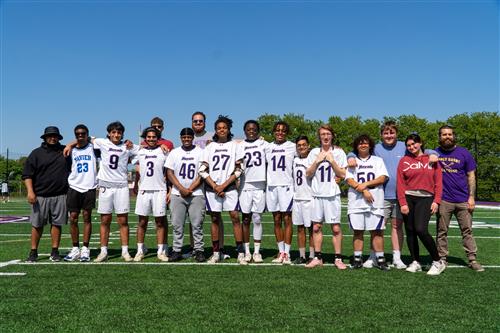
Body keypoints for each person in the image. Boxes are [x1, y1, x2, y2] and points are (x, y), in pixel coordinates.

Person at [347, 121, 438, 269]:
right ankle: (373, 256)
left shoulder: (405, 146)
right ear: (381, 135)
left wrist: (433, 153)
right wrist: (350, 155)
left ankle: (397, 257)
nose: (389, 136)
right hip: (380, 195)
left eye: (392, 133)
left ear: (396, 133)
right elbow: (357, 152)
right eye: (385, 133)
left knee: (397, 226)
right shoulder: (375, 147)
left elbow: (422, 150)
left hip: (402, 194)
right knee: (377, 227)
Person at [66, 121, 140, 262]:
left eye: (119, 132)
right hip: (106, 186)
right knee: (105, 220)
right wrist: (70, 144)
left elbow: (146, 148)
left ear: (122, 134)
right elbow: (84, 138)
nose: (116, 135)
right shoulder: (101, 142)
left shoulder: (128, 146)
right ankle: (103, 251)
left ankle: (125, 251)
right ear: (109, 134)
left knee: (122, 220)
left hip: (121, 186)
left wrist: (161, 145)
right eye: (113, 132)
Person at [435, 125, 484, 271]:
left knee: (467, 231)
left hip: (463, 200)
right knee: (441, 231)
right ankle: (442, 258)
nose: (447, 137)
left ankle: (472, 259)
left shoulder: (464, 153)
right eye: (444, 134)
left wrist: (471, 197)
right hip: (444, 199)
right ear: (440, 137)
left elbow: (471, 175)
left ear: (454, 136)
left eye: (450, 134)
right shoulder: (435, 153)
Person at [199, 115, 246, 264]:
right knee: (214, 218)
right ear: (215, 130)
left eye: (224, 127)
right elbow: (202, 169)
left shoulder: (235, 146)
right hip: (213, 188)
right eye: (219, 128)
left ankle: (240, 252)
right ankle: (216, 252)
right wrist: (215, 186)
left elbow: (239, 169)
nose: (222, 130)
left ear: (229, 129)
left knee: (235, 217)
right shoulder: (210, 146)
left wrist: (224, 185)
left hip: (229, 187)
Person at [397, 133, 445, 275]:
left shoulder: (431, 159)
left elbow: (438, 182)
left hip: (426, 198)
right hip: (408, 197)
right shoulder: (404, 161)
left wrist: (436, 201)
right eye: (409, 145)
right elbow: (400, 183)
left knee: (421, 229)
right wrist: (402, 202)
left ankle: (438, 261)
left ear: (421, 143)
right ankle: (415, 261)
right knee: (410, 231)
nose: (412, 147)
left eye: (414, 144)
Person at [23, 126, 71, 262]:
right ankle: (33, 251)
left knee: (57, 224)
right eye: (50, 136)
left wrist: (71, 144)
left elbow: (81, 142)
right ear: (45, 138)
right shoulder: (36, 153)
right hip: (40, 195)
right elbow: (27, 174)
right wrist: (30, 192)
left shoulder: (65, 151)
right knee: (37, 225)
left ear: (59, 138)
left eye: (55, 136)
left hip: (60, 194)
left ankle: (55, 251)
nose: (52, 138)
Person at [305, 124, 347, 269]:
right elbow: (308, 174)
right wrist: (317, 160)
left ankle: (338, 258)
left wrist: (332, 161)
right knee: (316, 227)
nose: (325, 136)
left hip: (332, 194)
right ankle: (317, 257)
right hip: (317, 194)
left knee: (335, 228)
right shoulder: (314, 152)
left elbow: (342, 174)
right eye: (323, 134)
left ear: (332, 135)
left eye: (328, 134)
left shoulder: (339, 153)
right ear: (319, 136)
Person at [345, 134, 389, 271]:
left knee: (376, 231)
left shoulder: (377, 160)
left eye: (365, 143)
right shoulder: (352, 161)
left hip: (374, 201)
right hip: (357, 202)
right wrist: (364, 190)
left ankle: (380, 259)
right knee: (358, 231)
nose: (363, 145)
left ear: (370, 145)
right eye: (360, 143)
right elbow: (349, 180)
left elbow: (382, 178)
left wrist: (365, 185)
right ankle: (357, 259)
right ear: (356, 146)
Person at [166, 127, 206, 263]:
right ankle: (177, 250)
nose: (187, 139)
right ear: (181, 138)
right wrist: (181, 188)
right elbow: (169, 173)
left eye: (189, 137)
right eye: (184, 137)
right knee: (177, 225)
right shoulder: (174, 153)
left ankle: (199, 250)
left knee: (197, 224)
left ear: (193, 137)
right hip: (178, 194)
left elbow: (203, 173)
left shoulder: (201, 152)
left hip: (196, 193)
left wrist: (190, 189)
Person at [133, 127, 169, 262]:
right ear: (145, 138)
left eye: (154, 137)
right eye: (148, 137)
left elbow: (171, 169)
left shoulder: (163, 151)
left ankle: (160, 251)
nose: (151, 139)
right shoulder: (139, 151)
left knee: (159, 222)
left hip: (159, 190)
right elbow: (125, 149)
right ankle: (140, 250)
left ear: (158, 138)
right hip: (144, 190)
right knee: (142, 222)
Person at [64, 124, 99, 262]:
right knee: (73, 217)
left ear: (87, 134)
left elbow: (97, 140)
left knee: (87, 217)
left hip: (89, 186)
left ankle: (85, 248)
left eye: (83, 133)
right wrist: (70, 145)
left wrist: (71, 142)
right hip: (74, 186)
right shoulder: (71, 151)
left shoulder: (93, 147)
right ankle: (75, 248)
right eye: (77, 134)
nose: (80, 136)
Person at [265, 121, 295, 265]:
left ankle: (287, 253)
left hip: (286, 187)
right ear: (274, 132)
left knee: (287, 219)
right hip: (272, 187)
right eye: (277, 130)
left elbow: (308, 153)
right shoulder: (267, 147)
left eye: (283, 130)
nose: (280, 133)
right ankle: (280, 251)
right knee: (276, 220)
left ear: (287, 133)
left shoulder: (292, 146)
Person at [238, 120, 268, 263]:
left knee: (257, 218)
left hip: (259, 185)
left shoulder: (264, 144)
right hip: (244, 185)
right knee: (245, 218)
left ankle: (256, 252)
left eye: (254, 129)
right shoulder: (240, 145)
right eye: (249, 129)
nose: (251, 131)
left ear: (258, 131)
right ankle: (247, 251)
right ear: (244, 131)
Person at [292, 135, 314, 265]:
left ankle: (312, 255)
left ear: (308, 146)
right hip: (297, 198)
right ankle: (301, 255)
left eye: (304, 145)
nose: (301, 147)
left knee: (310, 228)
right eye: (299, 145)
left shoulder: (312, 160)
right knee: (300, 228)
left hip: (309, 198)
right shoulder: (294, 160)